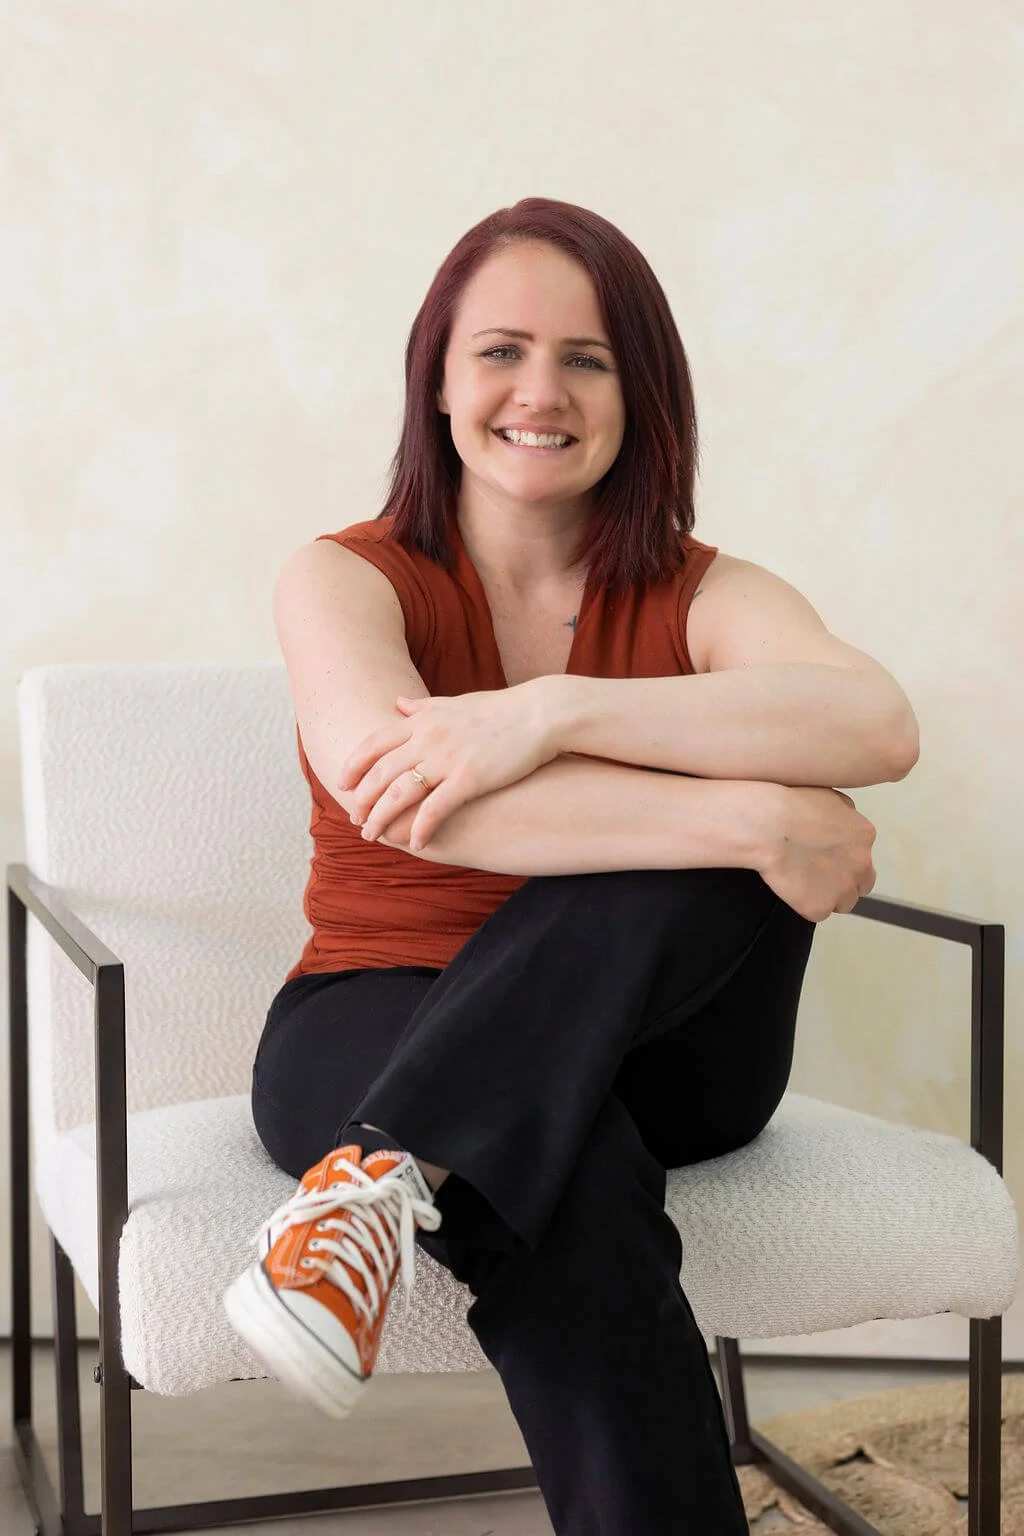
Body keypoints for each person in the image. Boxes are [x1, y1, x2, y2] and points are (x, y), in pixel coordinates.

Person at [223, 196, 917, 1533]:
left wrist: (550, 713)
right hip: (377, 1009)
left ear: (638, 393)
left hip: (676, 1053)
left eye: (587, 359)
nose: (540, 392)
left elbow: (878, 726)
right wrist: (755, 818)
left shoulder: (708, 593)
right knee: (569, 1168)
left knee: (694, 851)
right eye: (501, 351)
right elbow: (411, 806)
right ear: (437, 380)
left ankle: (385, 1171)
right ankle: (383, 1180)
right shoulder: (345, 577)